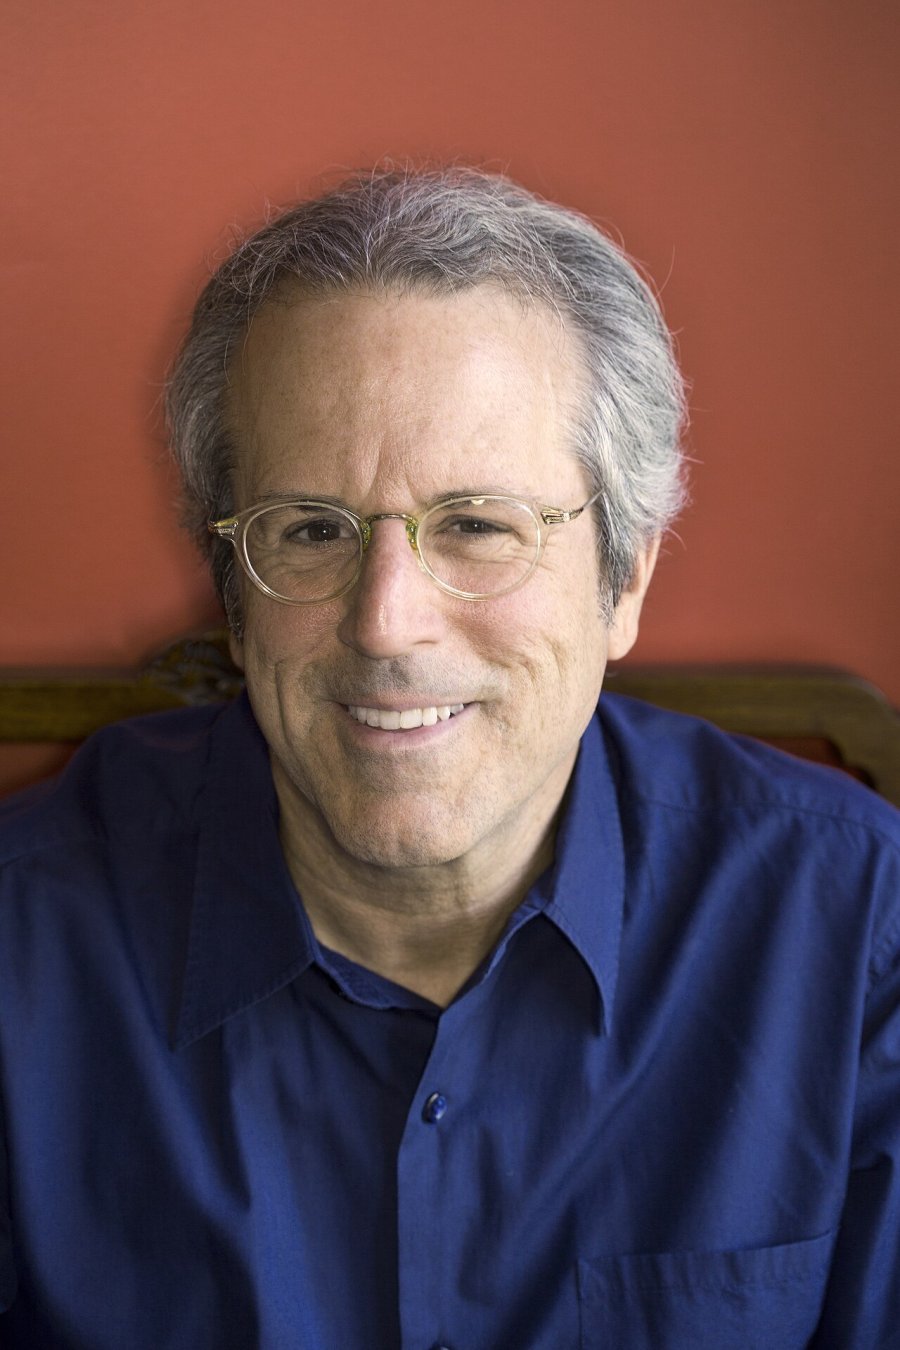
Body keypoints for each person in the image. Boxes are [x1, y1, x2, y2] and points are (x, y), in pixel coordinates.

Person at [0, 167, 898, 1350]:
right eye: (310, 530)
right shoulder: (22, 949)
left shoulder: (860, 928)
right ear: (234, 596)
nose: (387, 623)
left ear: (625, 577)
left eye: (477, 525)